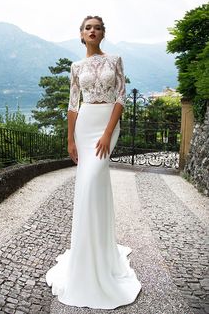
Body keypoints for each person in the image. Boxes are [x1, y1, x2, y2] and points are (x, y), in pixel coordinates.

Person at [45, 15, 142, 309]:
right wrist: (70, 139)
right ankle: (87, 255)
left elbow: (122, 97)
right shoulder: (76, 67)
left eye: (97, 27)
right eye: (88, 27)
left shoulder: (116, 60)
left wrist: (108, 133)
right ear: (81, 34)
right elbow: (74, 104)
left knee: (91, 183)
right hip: (85, 125)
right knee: (89, 188)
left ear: (103, 33)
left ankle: (98, 258)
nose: (93, 31)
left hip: (107, 125)